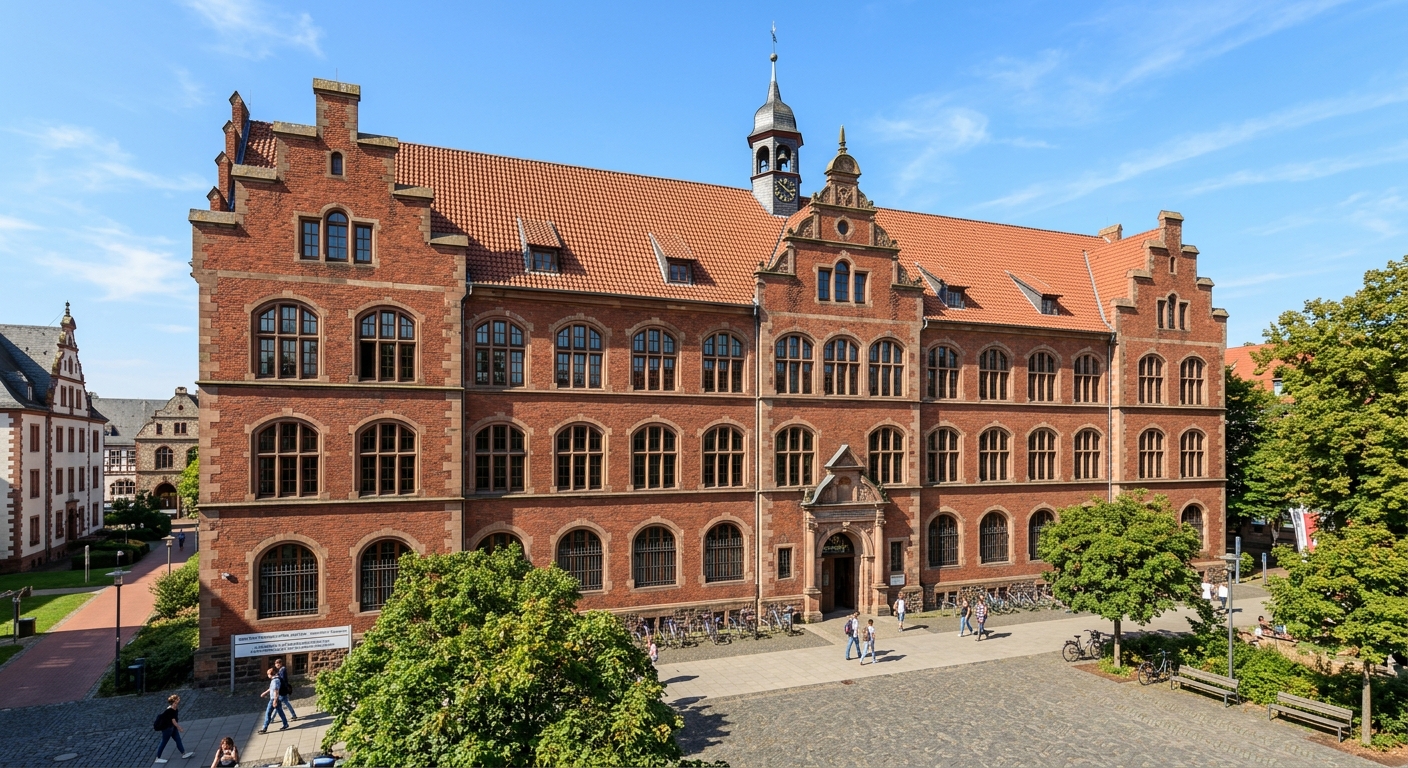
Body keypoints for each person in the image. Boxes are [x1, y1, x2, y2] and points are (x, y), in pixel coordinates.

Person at [152, 694, 194, 763]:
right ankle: (158, 758)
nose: (179, 700)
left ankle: (183, 753)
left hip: (172, 727)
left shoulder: (173, 707)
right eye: (177, 699)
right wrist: (179, 727)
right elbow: (173, 721)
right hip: (167, 729)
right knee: (164, 742)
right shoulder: (171, 710)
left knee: (178, 739)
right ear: (174, 701)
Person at [258, 666, 290, 734]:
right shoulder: (274, 680)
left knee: (268, 713)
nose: (267, 675)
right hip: (274, 699)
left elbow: (276, 690)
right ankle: (285, 724)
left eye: (268, 674)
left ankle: (264, 728)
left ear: (271, 674)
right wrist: (265, 693)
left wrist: (275, 700)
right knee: (280, 712)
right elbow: (271, 688)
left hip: (274, 699)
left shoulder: (275, 681)